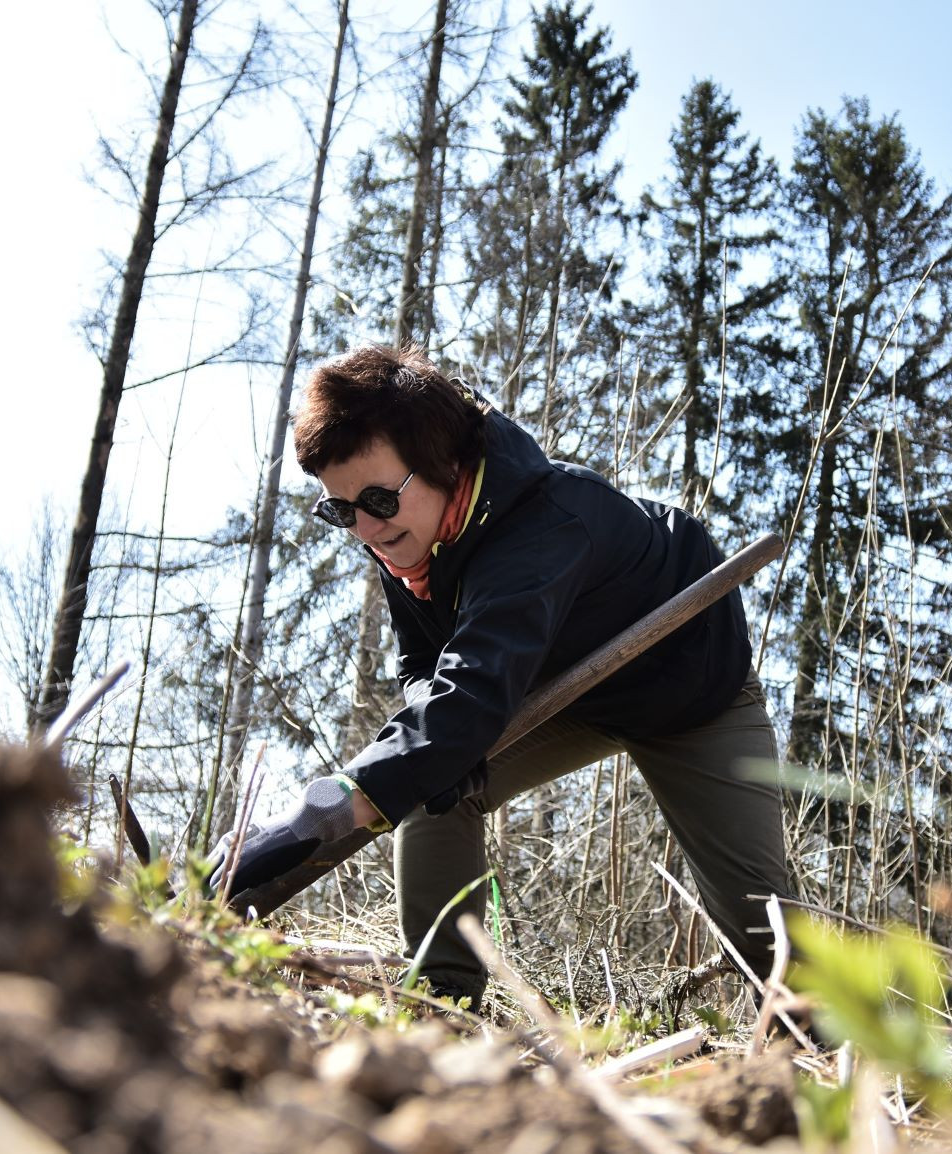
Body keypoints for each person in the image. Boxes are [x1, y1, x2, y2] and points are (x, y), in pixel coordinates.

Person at [223, 344, 793, 1005]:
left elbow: (467, 697)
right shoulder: (409, 533)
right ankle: (445, 1001)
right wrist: (439, 742)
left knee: (762, 924)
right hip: (556, 687)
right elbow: (423, 667)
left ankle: (812, 1047)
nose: (365, 529)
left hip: (687, 687)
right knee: (435, 786)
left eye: (378, 499)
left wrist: (307, 821)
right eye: (340, 510)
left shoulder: (546, 524)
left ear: (442, 463)